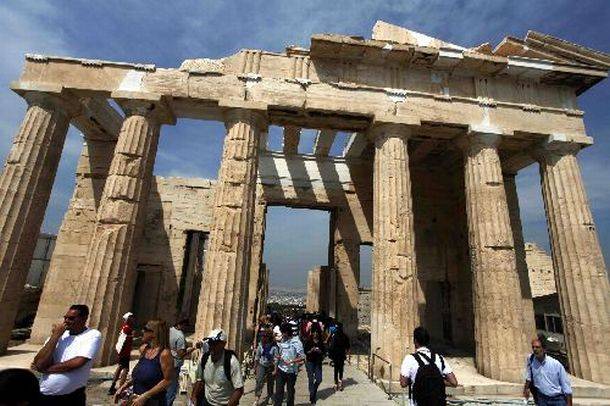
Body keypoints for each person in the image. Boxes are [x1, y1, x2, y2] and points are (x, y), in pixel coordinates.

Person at [32, 304, 102, 405]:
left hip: (71, 397)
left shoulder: (92, 335)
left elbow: (77, 362)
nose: (66, 321)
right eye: (65, 318)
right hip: (45, 395)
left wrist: (46, 370)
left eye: (71, 318)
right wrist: (55, 336)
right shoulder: (58, 335)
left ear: (84, 319)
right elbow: (39, 362)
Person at [114, 320, 174, 406]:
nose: (142, 331)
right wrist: (124, 386)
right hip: (137, 400)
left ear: (154, 333)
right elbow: (140, 375)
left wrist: (145, 396)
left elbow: (167, 381)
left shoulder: (164, 354)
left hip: (154, 402)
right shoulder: (144, 349)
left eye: (145, 329)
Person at [399, 326, 457, 406]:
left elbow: (403, 383)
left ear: (415, 341)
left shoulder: (409, 359)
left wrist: (415, 381)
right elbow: (453, 382)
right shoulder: (439, 358)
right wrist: (437, 380)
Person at [190, 329, 244, 406]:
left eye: (215, 343)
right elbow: (200, 380)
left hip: (224, 403)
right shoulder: (205, 358)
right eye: (210, 343)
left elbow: (239, 389)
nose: (211, 346)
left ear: (223, 344)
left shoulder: (231, 362)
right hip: (207, 401)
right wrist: (193, 396)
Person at [523, 336, 572, 406]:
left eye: (537, 347)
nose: (534, 349)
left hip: (557, 399)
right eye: (533, 347)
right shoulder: (531, 359)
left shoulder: (555, 364)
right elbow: (529, 375)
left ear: (544, 349)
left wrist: (569, 404)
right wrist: (526, 388)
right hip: (542, 399)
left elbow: (566, 386)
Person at [274, 322, 304, 406]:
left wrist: (292, 361)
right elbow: (279, 354)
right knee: (279, 392)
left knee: (290, 393)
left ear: (287, 332)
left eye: (283, 332)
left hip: (291, 372)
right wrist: (278, 358)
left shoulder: (297, 342)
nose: (282, 334)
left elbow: (302, 357)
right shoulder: (281, 341)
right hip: (281, 370)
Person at [109, 312, 135, 396]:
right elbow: (125, 339)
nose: (133, 319)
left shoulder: (125, 327)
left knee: (120, 367)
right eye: (131, 318)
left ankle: (113, 386)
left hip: (122, 351)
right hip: (125, 352)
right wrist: (132, 336)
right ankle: (121, 388)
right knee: (125, 369)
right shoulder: (127, 328)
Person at [167, 318, 193, 405]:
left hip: (166, 361)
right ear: (181, 324)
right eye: (185, 326)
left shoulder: (169, 330)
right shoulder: (180, 336)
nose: (185, 328)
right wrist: (191, 350)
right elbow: (180, 354)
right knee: (172, 388)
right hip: (175, 363)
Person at [253, 329, 278, 406]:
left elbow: (276, 359)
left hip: (270, 366)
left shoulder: (274, 346)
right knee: (259, 381)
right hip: (261, 365)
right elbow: (257, 356)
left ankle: (270, 396)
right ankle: (257, 398)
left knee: (270, 382)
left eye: (265, 336)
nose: (263, 337)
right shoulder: (261, 345)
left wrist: (275, 369)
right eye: (263, 336)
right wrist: (255, 367)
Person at [304, 324, 325, 405]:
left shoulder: (321, 341)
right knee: (311, 379)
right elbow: (306, 352)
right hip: (310, 362)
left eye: (317, 332)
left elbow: (324, 352)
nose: (315, 334)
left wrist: (320, 351)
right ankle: (312, 396)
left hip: (318, 363)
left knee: (319, 379)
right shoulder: (309, 341)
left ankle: (314, 390)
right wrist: (311, 350)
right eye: (314, 332)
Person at [327, 322, 349, 391]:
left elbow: (332, 347)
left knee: (336, 369)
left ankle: (336, 384)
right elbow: (348, 346)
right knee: (341, 369)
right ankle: (340, 382)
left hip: (336, 355)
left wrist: (330, 355)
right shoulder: (345, 336)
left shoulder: (335, 336)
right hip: (342, 355)